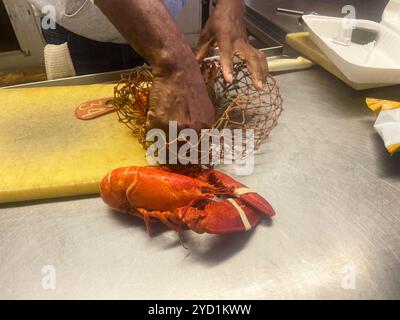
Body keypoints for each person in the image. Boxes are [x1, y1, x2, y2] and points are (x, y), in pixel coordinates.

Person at [28, 0, 268, 134]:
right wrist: (175, 63)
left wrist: (231, 5)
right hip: (78, 31)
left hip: (164, 28)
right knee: (88, 133)